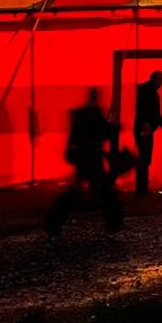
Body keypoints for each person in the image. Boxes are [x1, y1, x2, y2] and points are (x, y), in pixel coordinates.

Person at [49, 89, 122, 235]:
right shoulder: (94, 114)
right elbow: (102, 132)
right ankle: (114, 222)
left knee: (78, 192)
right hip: (92, 158)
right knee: (104, 191)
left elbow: (76, 136)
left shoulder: (81, 115)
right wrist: (114, 128)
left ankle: (54, 222)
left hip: (84, 158)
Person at [132, 70, 162, 195]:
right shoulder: (149, 92)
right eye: (160, 80)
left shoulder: (146, 91)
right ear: (154, 79)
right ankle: (141, 188)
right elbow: (152, 112)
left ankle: (142, 187)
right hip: (145, 128)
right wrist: (152, 125)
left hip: (144, 127)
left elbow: (152, 113)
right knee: (144, 158)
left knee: (144, 157)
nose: (161, 83)